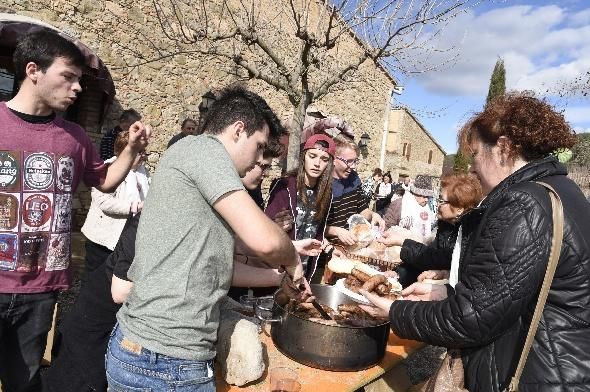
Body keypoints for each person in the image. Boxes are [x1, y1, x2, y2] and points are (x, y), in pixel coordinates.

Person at [362, 92, 590, 391]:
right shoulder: (561, 190)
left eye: (475, 156)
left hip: (541, 374)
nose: (471, 169)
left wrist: (394, 312)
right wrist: (448, 292)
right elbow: (513, 290)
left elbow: (471, 319)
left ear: (504, 149)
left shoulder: (524, 203)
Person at [105, 86, 307, 391]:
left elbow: (213, 259)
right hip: (165, 362)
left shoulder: (192, 155)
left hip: (148, 354)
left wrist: (280, 273)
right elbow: (264, 239)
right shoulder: (206, 152)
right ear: (239, 130)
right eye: (258, 145)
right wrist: (293, 261)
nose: (257, 159)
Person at [0, 30, 148, 392]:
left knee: (26, 380)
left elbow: (106, 180)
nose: (78, 87)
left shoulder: (75, 137)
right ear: (33, 70)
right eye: (68, 76)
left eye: (80, 79)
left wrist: (131, 149)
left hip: (40, 290)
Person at [43, 131, 151, 392]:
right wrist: (136, 210)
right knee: (92, 295)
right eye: (141, 153)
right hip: (103, 241)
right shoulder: (111, 167)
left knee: (105, 304)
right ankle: (74, 342)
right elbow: (103, 201)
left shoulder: (144, 173)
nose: (145, 157)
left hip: (122, 245)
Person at [379, 174, 482, 287]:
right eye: (438, 199)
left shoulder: (467, 234)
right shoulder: (446, 226)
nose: (436, 204)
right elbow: (426, 261)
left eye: (442, 201)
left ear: (459, 209)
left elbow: (438, 259)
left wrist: (402, 242)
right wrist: (398, 274)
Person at [265, 134, 335, 281]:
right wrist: (275, 224)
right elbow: (264, 227)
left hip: (305, 269)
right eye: (312, 156)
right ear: (304, 157)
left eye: (324, 159)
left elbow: (318, 231)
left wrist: (329, 248)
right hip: (277, 268)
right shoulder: (283, 186)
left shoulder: (326, 195)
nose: (317, 163)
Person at [325, 135, 385, 247]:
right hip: (327, 249)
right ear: (333, 158)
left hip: (352, 246)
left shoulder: (354, 178)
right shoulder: (322, 183)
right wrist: (335, 231)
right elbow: (312, 226)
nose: (353, 167)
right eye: (349, 161)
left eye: (355, 161)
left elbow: (362, 209)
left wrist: (373, 215)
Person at [383, 174, 436, 241]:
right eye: (424, 196)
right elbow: (386, 228)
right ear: (416, 193)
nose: (426, 200)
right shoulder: (399, 204)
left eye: (428, 197)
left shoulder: (427, 209)